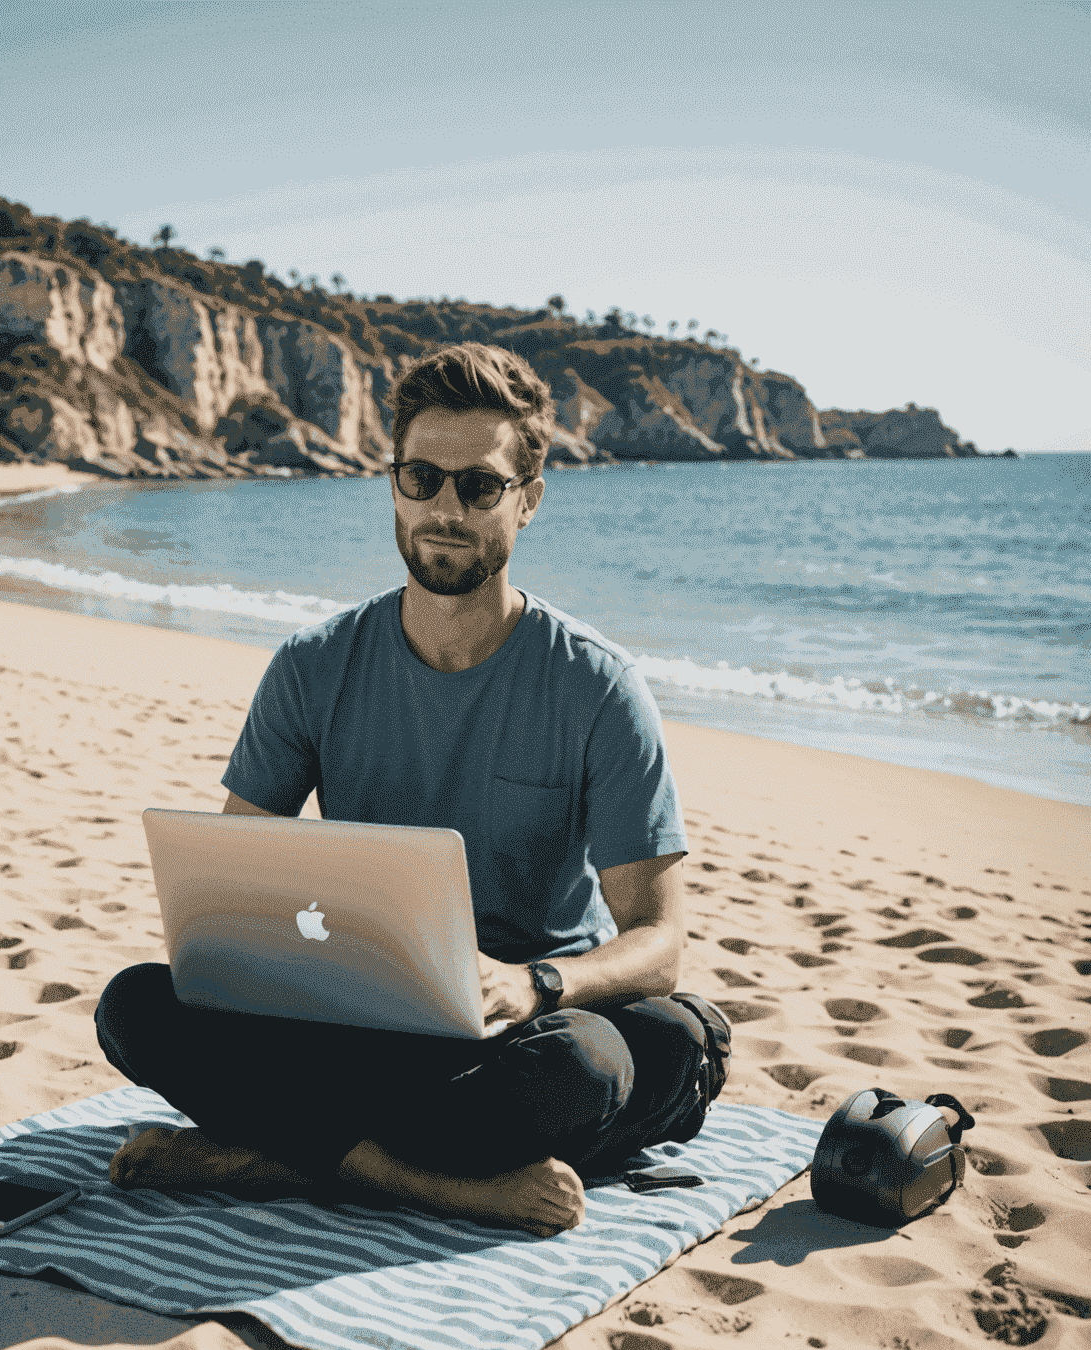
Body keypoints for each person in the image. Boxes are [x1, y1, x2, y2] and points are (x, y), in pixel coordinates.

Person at [95, 342, 729, 1237]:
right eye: (421, 477)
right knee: (136, 1005)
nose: (444, 509)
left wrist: (535, 984)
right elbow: (229, 889)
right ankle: (432, 1182)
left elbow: (659, 943)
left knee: (633, 1055)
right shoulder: (314, 668)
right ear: (392, 482)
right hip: (353, 1024)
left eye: (479, 486)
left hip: (521, 1033)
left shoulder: (598, 688)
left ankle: (278, 1151)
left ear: (529, 499)